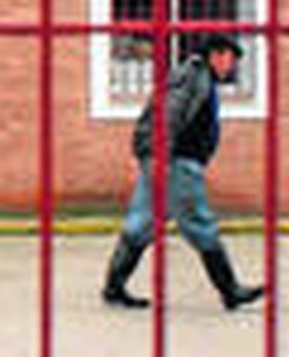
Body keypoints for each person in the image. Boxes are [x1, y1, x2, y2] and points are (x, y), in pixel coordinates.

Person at [102, 33, 265, 311]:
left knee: (141, 223)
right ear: (217, 54)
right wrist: (160, 156)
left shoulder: (197, 76)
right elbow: (169, 115)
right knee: (200, 223)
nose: (232, 67)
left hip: (166, 160)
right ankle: (230, 290)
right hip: (176, 163)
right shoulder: (193, 76)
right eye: (231, 60)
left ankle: (114, 287)